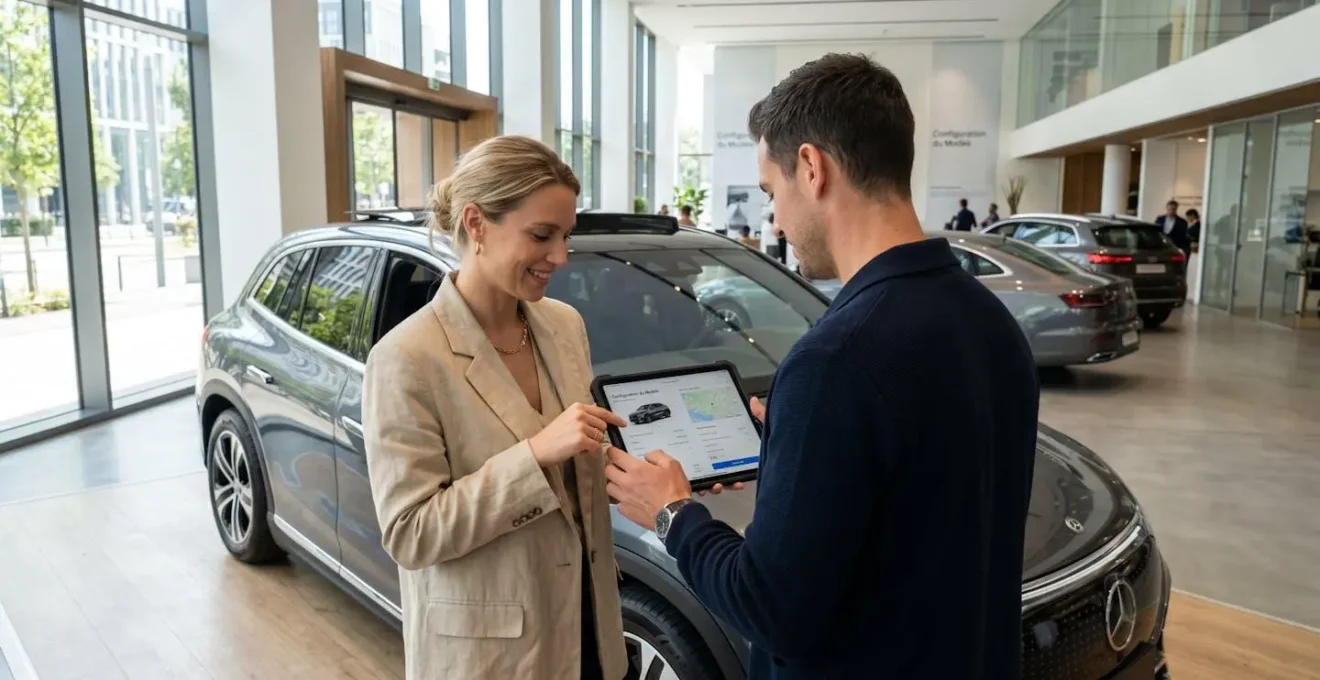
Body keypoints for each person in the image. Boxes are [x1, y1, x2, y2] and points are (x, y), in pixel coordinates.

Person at [602, 53, 1039, 679]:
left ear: (811, 168)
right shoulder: (988, 320)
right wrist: (798, 443)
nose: (772, 218)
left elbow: (771, 610)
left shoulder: (835, 361)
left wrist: (673, 511)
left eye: (769, 191)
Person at [362, 135, 629, 680]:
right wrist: (534, 455)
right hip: (492, 659)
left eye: (565, 236)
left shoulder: (564, 325)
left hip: (590, 634)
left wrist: (656, 473)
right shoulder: (406, 357)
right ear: (477, 224)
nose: (560, 256)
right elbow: (411, 533)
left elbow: (575, 479)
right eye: (542, 235)